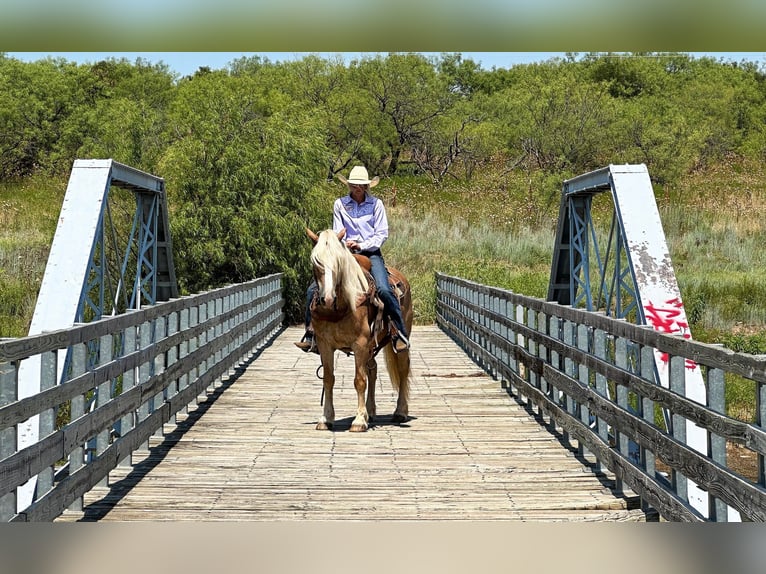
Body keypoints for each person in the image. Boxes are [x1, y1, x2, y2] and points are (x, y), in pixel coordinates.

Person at [296, 165, 410, 353]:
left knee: (383, 288)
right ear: (349, 185)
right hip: (345, 254)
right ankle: (311, 333)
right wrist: (344, 243)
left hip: (370, 253)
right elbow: (337, 230)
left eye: (360, 185)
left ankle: (398, 332)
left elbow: (381, 234)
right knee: (313, 289)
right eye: (353, 184)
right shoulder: (340, 204)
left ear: (366, 186)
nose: (357, 187)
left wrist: (362, 245)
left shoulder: (376, 205)